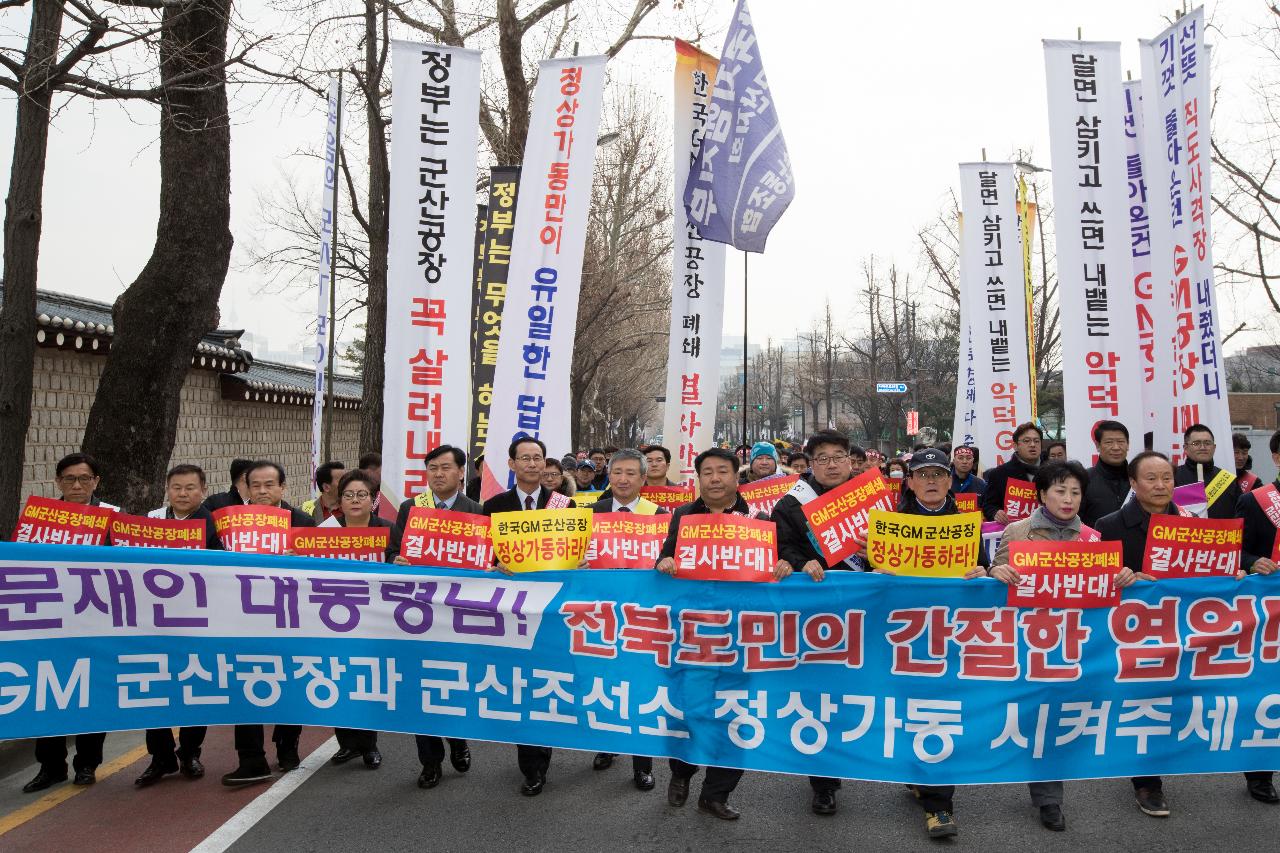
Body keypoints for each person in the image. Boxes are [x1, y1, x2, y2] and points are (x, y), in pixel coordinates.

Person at [987, 461, 1141, 831]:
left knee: (1051, 720)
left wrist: (1124, 576)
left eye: (1075, 492)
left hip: (1070, 646)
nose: (1068, 499)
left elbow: (1105, 587)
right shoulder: (1017, 531)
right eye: (1060, 490)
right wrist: (996, 572)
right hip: (1024, 642)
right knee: (1019, 717)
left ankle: (1049, 799)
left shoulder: (1092, 537)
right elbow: (991, 583)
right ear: (1042, 493)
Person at [860, 446, 988, 838]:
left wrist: (982, 572)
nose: (931, 481)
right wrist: (876, 568)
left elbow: (983, 569)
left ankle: (939, 806)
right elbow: (868, 579)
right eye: (923, 475)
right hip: (903, 635)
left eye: (939, 474)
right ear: (909, 481)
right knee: (907, 710)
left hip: (951, 636)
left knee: (940, 710)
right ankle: (919, 774)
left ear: (950, 481)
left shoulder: (968, 525)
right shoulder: (890, 524)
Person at [656, 446, 779, 821]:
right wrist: (664, 561)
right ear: (698, 478)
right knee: (691, 711)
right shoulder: (682, 515)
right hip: (693, 636)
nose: (714, 478)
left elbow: (774, 563)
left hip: (742, 637)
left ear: (735, 477)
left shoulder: (758, 517)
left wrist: (783, 564)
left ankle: (716, 793)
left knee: (734, 714)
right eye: (706, 472)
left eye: (722, 471)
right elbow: (661, 558)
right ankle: (682, 772)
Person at [770, 430, 859, 815]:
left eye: (839, 455)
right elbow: (780, 545)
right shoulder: (791, 503)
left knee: (878, 690)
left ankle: (910, 775)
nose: (832, 463)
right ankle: (824, 781)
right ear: (808, 464)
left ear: (851, 460)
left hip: (868, 613)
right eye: (822, 458)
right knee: (823, 698)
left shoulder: (872, 499)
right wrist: (800, 561)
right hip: (817, 617)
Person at [481, 437, 575, 796]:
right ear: (512, 464)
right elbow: (480, 556)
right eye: (525, 458)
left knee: (547, 680)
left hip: (552, 610)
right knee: (520, 684)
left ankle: (542, 750)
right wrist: (493, 565)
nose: (533, 464)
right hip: (509, 611)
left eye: (538, 458)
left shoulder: (563, 505)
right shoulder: (494, 506)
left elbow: (577, 550)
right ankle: (531, 765)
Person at [386, 445, 479, 789]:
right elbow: (393, 550)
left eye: (444, 468)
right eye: (432, 469)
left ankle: (458, 739)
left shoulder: (477, 511)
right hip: (418, 613)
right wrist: (396, 558)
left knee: (452, 683)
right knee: (419, 685)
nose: (437, 474)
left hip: (458, 615)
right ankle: (430, 761)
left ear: (460, 473)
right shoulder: (412, 508)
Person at [1095, 451, 1179, 817]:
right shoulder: (1110, 525)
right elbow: (1097, 582)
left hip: (1186, 631)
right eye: (1151, 478)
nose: (1160, 485)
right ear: (1133, 483)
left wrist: (1238, 573)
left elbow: (1220, 569)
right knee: (1146, 703)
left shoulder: (1195, 523)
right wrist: (1126, 579)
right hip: (1133, 635)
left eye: (1167, 477)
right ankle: (1147, 783)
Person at [23, 452, 113, 794]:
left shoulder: (112, 518)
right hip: (49, 622)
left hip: (97, 621)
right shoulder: (39, 519)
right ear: (58, 482)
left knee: (93, 693)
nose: (77, 485)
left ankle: (87, 764)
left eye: (85, 479)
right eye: (69, 479)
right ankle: (50, 766)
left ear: (96, 482)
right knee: (48, 693)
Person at [221, 460, 315, 786]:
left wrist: (300, 561)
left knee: (290, 682)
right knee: (245, 685)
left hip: (290, 621)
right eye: (255, 485)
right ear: (244, 488)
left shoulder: (302, 522)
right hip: (242, 621)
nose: (262, 491)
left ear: (283, 487)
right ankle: (251, 759)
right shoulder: (228, 522)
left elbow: (320, 576)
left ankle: (287, 746)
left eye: (269, 485)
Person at [135, 464, 223, 788]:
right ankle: (160, 756)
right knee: (153, 685)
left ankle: (190, 752)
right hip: (154, 619)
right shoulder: (152, 520)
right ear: (167, 489)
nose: (183, 494)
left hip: (197, 619)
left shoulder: (215, 525)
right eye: (176, 488)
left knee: (193, 684)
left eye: (190, 488)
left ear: (202, 489)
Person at [584, 448, 666, 790]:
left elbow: (669, 564)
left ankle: (642, 763)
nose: (623, 479)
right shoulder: (590, 514)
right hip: (601, 614)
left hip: (642, 616)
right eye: (617, 472)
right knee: (604, 685)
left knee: (641, 689)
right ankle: (606, 745)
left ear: (643, 479)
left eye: (631, 473)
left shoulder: (659, 515)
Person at [316, 469, 391, 769]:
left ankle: (369, 745)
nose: (355, 500)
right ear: (340, 500)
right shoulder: (324, 532)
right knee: (337, 680)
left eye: (362, 495)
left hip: (375, 622)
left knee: (366, 683)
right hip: (332, 621)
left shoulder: (387, 531)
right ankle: (346, 743)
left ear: (373, 501)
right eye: (348, 495)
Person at [1233, 429, 1280, 805]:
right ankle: (1260, 774)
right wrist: (1252, 562)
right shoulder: (1256, 501)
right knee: (1266, 694)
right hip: (1268, 617)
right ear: (1277, 458)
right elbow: (1235, 550)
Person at [1175, 424, 1242, 520]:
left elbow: (1241, 516)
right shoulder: (1173, 477)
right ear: (1185, 448)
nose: (1202, 447)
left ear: (1214, 447)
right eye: (1196, 443)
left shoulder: (1229, 480)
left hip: (1221, 534)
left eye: (1207, 443)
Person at [980, 422, 1043, 522]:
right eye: (1027, 441)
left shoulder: (1053, 471)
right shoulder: (999, 473)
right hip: (1013, 531)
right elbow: (988, 505)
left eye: (1036, 441)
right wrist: (995, 513)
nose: (1032, 445)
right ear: (1015, 445)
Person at [1081, 420, 1132, 527]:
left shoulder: (1138, 478)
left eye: (1121, 442)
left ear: (1128, 445)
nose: (1116, 447)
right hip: (1097, 542)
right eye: (1109, 442)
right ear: (1098, 446)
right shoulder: (1084, 479)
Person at [359, 451, 399, 522]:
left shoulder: (382, 491)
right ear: (369, 471)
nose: (383, 476)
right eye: (381, 472)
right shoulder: (354, 492)